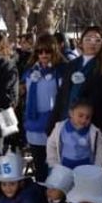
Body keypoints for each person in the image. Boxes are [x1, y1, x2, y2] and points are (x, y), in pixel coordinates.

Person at [51, 26, 102, 173]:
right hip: (68, 124)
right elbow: (63, 94)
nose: (92, 43)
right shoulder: (72, 64)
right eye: (88, 39)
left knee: (92, 174)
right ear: (80, 42)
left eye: (97, 40)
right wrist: (53, 121)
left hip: (95, 125)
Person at [22, 34, 66, 181]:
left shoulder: (60, 70)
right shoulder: (30, 70)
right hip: (33, 123)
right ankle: (41, 197)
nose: (44, 55)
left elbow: (64, 99)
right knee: (39, 167)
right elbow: (23, 91)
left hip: (52, 124)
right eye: (40, 51)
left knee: (54, 167)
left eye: (47, 51)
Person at [46, 100, 102, 169]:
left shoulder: (94, 132)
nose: (84, 120)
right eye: (80, 116)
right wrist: (54, 163)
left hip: (86, 168)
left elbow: (101, 150)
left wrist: (97, 168)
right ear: (71, 113)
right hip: (65, 167)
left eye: (88, 117)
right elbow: (51, 145)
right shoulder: (60, 128)